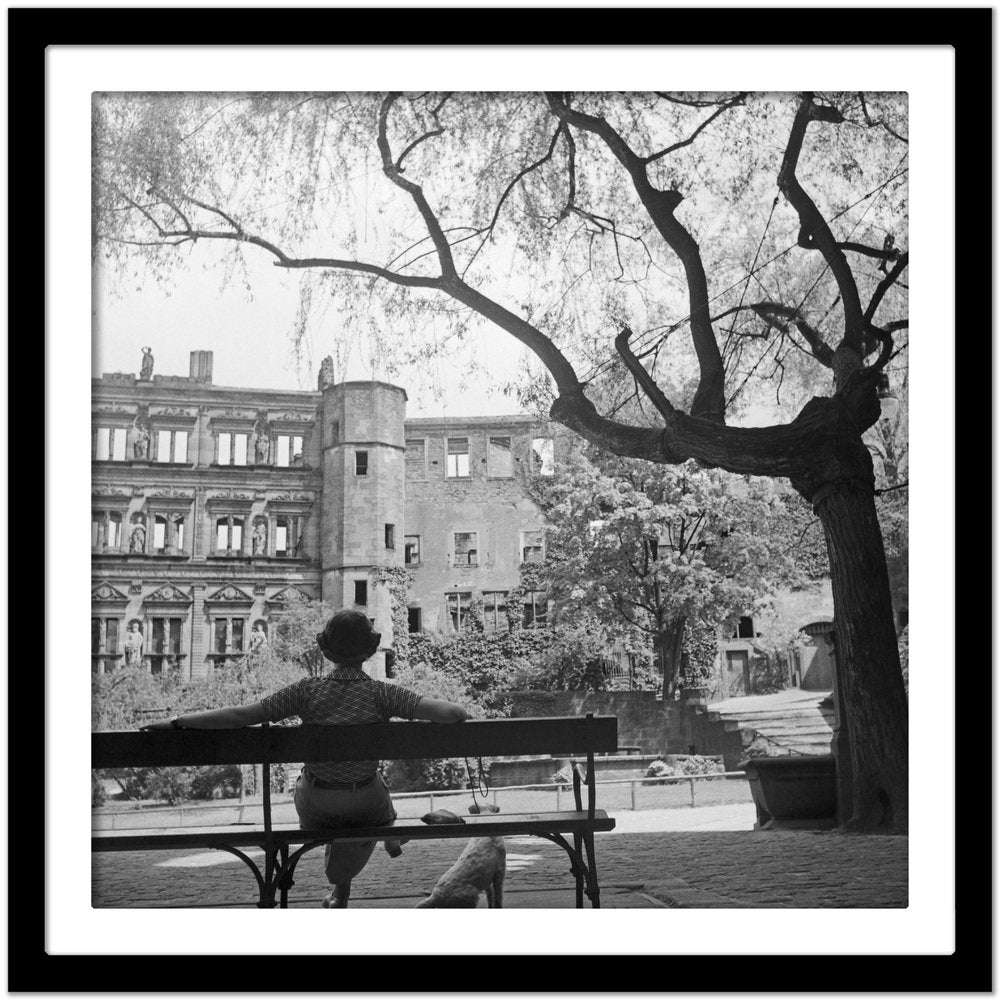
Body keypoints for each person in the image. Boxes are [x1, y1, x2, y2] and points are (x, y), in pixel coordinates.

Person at [140, 609, 468, 908]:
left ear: (325, 651)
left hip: (317, 807)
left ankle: (348, 882)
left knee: (324, 792)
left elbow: (241, 715)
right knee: (378, 797)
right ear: (369, 652)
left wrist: (177, 722)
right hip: (366, 804)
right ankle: (387, 835)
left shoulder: (306, 691)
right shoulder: (383, 694)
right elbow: (453, 713)